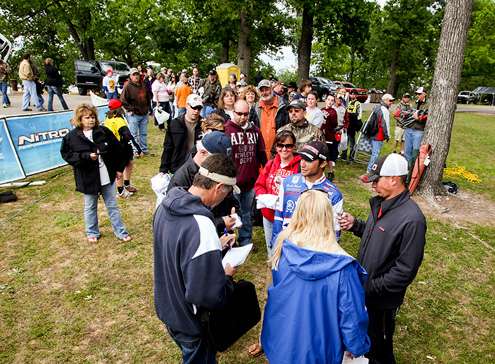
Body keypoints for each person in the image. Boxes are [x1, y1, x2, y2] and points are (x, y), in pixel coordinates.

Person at [261, 190, 370, 364]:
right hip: (319, 349)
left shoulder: (281, 247)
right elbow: (351, 317)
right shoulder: (343, 268)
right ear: (328, 217)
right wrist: (357, 347)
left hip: (282, 339)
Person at [338, 153, 427, 364]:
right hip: (366, 293)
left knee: (380, 348)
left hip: (381, 301)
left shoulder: (413, 220)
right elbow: (377, 233)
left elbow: (404, 272)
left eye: (377, 179)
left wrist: (369, 286)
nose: (372, 184)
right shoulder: (382, 203)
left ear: (394, 179)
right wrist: (356, 225)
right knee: (365, 342)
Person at [153, 154, 238, 364]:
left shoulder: (165, 205)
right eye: (226, 194)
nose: (224, 200)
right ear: (218, 188)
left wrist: (213, 246)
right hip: (189, 320)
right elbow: (206, 294)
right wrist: (226, 278)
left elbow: (176, 250)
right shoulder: (202, 225)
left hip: (168, 305)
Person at [60, 103, 131, 243]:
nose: (91, 120)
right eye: (87, 117)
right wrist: (85, 157)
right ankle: (92, 232)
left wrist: (118, 169)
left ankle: (120, 231)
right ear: (80, 119)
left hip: (107, 176)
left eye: (92, 117)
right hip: (88, 179)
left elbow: (118, 150)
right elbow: (67, 155)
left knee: (112, 205)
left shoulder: (104, 131)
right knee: (90, 207)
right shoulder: (71, 137)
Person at [168, 131, 240, 235]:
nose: (222, 166)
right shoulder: (180, 181)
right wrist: (221, 223)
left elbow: (229, 198)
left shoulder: (217, 173)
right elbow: (183, 226)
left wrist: (233, 213)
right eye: (217, 160)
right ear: (202, 152)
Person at [272, 140, 343, 245]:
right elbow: (278, 217)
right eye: (302, 159)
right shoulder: (287, 182)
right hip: (286, 248)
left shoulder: (334, 194)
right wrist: (275, 244)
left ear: (323, 163)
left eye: (308, 160)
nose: (302, 164)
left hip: (312, 253)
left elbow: (334, 232)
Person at [224, 99, 267, 246]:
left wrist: (265, 171)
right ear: (233, 112)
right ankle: (228, 240)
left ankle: (246, 240)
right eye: (239, 114)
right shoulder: (227, 130)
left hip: (250, 181)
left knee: (247, 212)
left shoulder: (255, 130)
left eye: (245, 114)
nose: (242, 117)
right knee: (230, 212)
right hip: (232, 182)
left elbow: (261, 153)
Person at [254, 130, 301, 256]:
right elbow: (259, 185)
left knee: (289, 248)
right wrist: (266, 197)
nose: (284, 149)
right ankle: (273, 267)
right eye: (280, 145)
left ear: (294, 147)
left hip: (290, 217)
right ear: (276, 146)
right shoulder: (271, 164)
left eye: (288, 146)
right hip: (269, 214)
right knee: (272, 246)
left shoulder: (300, 166)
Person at [103, 99, 143, 198]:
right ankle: (120, 191)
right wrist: (138, 148)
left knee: (129, 163)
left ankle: (127, 184)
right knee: (119, 169)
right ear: (119, 108)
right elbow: (127, 135)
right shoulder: (119, 120)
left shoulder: (108, 118)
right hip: (119, 148)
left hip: (119, 146)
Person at [159, 94, 203, 174]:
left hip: (198, 166)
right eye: (193, 107)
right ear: (186, 106)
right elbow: (168, 147)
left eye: (199, 108)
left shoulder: (204, 125)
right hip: (178, 166)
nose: (196, 111)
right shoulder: (175, 124)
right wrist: (163, 170)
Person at [360, 93, 394, 183]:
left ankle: (370, 169)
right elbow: (385, 124)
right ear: (385, 100)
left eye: (392, 101)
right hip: (378, 135)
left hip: (373, 133)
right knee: (375, 153)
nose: (391, 103)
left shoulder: (377, 107)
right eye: (390, 101)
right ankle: (370, 171)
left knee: (374, 153)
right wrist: (388, 135)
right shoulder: (384, 110)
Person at [254, 79, 289, 159]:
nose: (264, 92)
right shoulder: (255, 108)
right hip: (260, 152)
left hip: (279, 152)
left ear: (272, 89)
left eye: (267, 89)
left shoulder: (284, 106)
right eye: (262, 90)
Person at [120, 68, 151, 154]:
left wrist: (148, 108)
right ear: (130, 76)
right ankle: (135, 150)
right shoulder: (127, 86)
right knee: (133, 134)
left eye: (137, 74)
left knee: (143, 133)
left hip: (144, 113)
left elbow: (148, 97)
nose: (136, 76)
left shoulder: (143, 84)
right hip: (134, 114)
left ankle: (144, 149)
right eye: (133, 74)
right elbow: (122, 100)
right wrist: (130, 109)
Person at [404, 87, 428, 165]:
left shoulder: (429, 104)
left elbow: (428, 118)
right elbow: (409, 113)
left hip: (418, 130)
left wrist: (419, 118)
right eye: (417, 94)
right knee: (407, 151)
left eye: (419, 94)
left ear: (425, 94)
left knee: (415, 151)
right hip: (409, 128)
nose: (417, 95)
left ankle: (413, 171)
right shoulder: (413, 103)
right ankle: (407, 170)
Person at [321, 95, 340, 180]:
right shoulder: (321, 110)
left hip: (329, 136)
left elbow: (334, 124)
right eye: (328, 100)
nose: (330, 102)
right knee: (321, 155)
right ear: (325, 100)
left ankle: (331, 172)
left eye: (332, 100)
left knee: (329, 156)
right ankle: (320, 172)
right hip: (321, 135)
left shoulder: (333, 112)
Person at [341, 91, 362, 161]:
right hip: (348, 123)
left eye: (354, 94)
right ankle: (344, 154)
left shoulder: (358, 103)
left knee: (352, 141)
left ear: (356, 95)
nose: (352, 95)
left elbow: (359, 115)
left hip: (353, 124)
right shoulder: (349, 103)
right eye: (351, 94)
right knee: (345, 140)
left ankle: (351, 156)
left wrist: (357, 124)